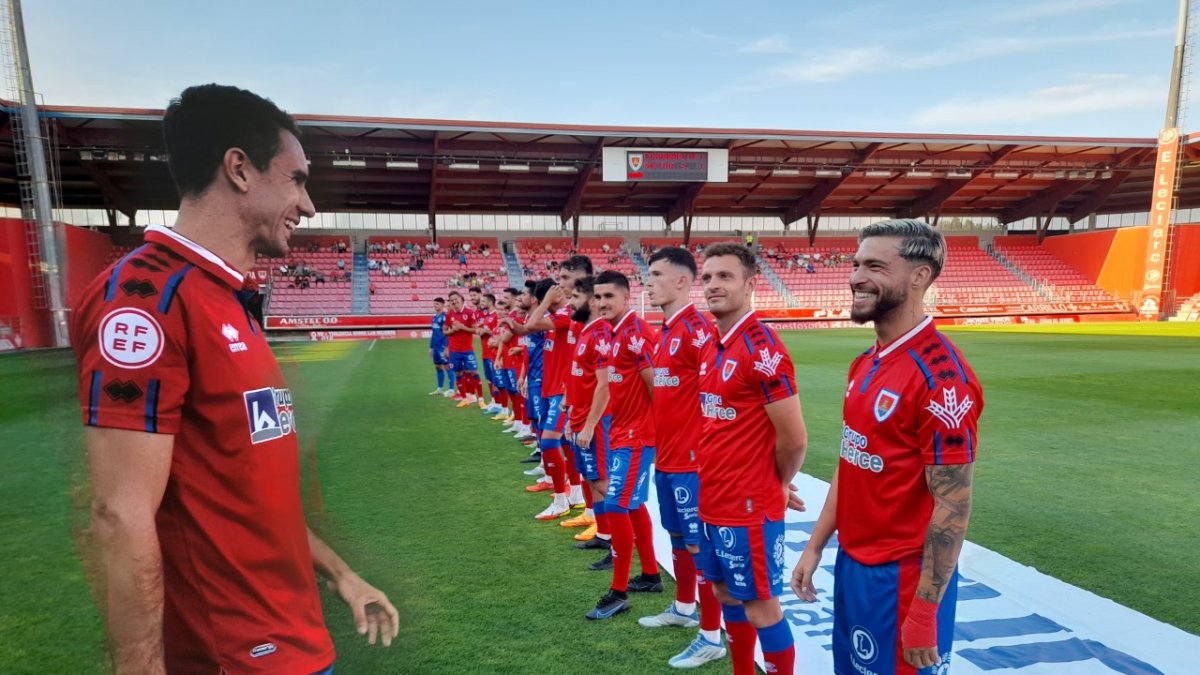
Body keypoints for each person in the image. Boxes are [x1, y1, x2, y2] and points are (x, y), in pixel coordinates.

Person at [70, 84, 397, 675]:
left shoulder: (227, 297)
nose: (309, 205)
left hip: (294, 640)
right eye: (297, 179)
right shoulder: (144, 298)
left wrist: (341, 574)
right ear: (239, 170)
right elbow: (120, 513)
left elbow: (246, 494)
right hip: (236, 656)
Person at [790, 220, 983, 675]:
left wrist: (924, 612)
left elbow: (953, 505)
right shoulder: (865, 363)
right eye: (856, 264)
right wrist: (816, 546)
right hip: (854, 565)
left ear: (919, 276)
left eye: (875, 265)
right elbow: (851, 460)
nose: (856, 276)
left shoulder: (942, 379)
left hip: (902, 579)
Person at [696, 243, 807, 675]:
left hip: (746, 505)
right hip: (713, 498)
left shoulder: (762, 349)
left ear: (749, 284)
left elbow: (794, 439)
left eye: (724, 276)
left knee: (762, 607)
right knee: (726, 594)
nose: (713, 285)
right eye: (707, 277)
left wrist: (776, 484)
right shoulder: (715, 342)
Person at [640, 246, 728, 668]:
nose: (648, 281)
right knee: (677, 539)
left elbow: (721, 398)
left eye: (656, 274)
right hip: (669, 457)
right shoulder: (666, 330)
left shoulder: (697, 331)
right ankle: (683, 608)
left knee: (699, 547)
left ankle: (711, 636)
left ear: (681, 281)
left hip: (695, 462)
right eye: (648, 274)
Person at [587, 270, 662, 620]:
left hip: (637, 436)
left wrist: (658, 434)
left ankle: (617, 593)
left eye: (609, 297)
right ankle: (649, 574)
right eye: (598, 297)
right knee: (631, 506)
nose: (602, 303)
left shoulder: (636, 334)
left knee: (616, 506)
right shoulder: (614, 333)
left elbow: (656, 388)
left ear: (626, 298)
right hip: (622, 433)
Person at [562, 276, 614, 550]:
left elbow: (604, 386)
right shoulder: (585, 331)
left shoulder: (602, 333)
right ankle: (605, 535)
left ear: (592, 301)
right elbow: (581, 380)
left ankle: (621, 537)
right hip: (581, 417)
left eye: (575, 298)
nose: (570, 303)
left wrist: (590, 425)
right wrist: (573, 416)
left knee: (603, 482)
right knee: (592, 478)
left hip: (598, 421)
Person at [444, 291, 483, 406]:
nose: (454, 302)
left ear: (461, 299)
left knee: (474, 372)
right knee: (458, 374)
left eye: (456, 299)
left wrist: (462, 327)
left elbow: (475, 330)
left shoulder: (469, 313)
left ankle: (480, 399)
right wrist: (452, 330)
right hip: (454, 350)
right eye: (452, 300)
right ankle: (464, 398)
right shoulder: (449, 314)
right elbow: (445, 331)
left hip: (467, 350)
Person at [477, 293, 503, 413]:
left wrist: (485, 331)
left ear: (490, 302)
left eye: (483, 301)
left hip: (494, 352)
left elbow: (498, 332)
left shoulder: (497, 315)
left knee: (497, 380)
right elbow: (481, 329)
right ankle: (494, 401)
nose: (481, 303)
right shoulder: (486, 316)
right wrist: (480, 330)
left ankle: (501, 405)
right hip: (485, 352)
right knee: (489, 379)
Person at [430, 297, 455, 396]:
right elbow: (434, 333)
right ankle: (440, 388)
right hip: (435, 346)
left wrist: (446, 347)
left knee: (447, 366)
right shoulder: (434, 317)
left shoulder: (445, 317)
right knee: (437, 366)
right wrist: (431, 347)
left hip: (443, 346)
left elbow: (447, 333)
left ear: (442, 305)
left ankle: (451, 389)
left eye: (437, 304)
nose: (435, 306)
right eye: (434, 304)